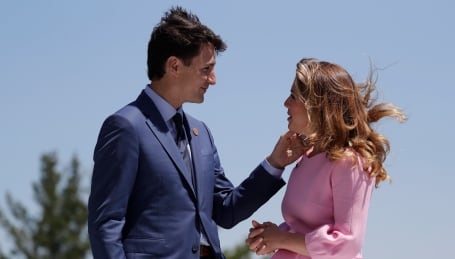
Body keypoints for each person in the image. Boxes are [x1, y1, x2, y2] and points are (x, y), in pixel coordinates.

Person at [87, 6, 304, 259]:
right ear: (174, 66)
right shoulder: (126, 127)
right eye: (206, 69)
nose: (213, 79)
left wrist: (275, 163)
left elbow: (226, 210)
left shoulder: (201, 134)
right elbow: (105, 223)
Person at [246, 58, 407, 259]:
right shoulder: (306, 157)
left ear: (317, 106)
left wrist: (281, 240)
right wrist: (271, 236)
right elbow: (305, 228)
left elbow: (347, 244)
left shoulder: (350, 162)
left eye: (293, 96)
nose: (285, 103)